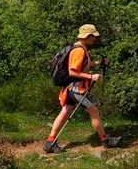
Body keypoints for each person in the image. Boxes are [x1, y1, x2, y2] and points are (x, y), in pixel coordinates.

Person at [43, 24, 121, 153]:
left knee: (65, 112)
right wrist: (91, 76)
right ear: (87, 36)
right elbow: (73, 71)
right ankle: (106, 140)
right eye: (93, 36)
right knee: (94, 112)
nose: (95, 38)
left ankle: (49, 142)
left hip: (69, 89)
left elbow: (83, 66)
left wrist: (98, 63)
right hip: (77, 90)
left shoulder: (78, 48)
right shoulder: (79, 50)